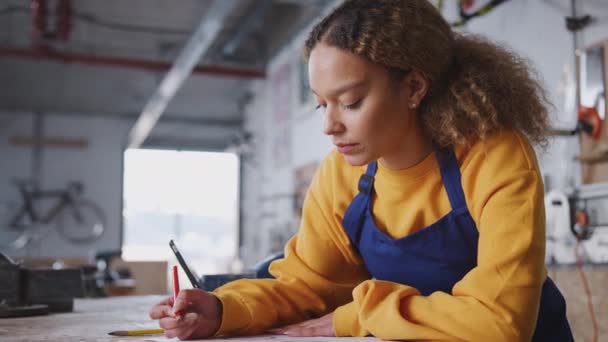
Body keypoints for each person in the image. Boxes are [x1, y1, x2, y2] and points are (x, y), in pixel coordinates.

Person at [149, 0, 574, 340]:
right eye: (322, 103)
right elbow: (307, 285)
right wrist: (223, 309)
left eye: (350, 102)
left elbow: (499, 322)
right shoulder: (341, 175)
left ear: (413, 88)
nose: (329, 125)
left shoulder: (491, 154)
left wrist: (362, 314)